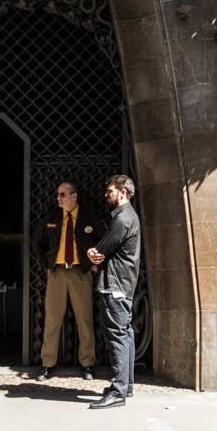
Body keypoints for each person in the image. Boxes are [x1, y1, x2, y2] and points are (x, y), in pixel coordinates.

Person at [85, 174, 141, 409]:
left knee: (117, 335)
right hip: (123, 284)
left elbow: (100, 251)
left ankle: (118, 391)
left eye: (109, 191)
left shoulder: (122, 220)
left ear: (123, 193)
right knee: (125, 333)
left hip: (114, 284)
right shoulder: (127, 217)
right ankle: (125, 384)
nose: (106, 195)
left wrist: (91, 253)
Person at [33, 180, 98, 380]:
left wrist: (93, 264)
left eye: (63, 194)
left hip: (80, 273)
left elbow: (102, 240)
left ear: (74, 196)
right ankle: (47, 364)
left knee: (84, 319)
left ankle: (87, 364)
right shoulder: (52, 216)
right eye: (58, 194)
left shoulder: (88, 216)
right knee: (52, 318)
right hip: (58, 273)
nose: (59, 198)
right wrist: (48, 263)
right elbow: (37, 241)